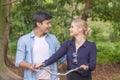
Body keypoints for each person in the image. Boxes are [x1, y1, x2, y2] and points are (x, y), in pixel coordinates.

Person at [15, 11, 65, 80]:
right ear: (38, 24)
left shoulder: (53, 39)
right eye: (47, 23)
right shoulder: (24, 40)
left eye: (50, 23)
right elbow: (19, 62)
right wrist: (30, 66)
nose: (50, 25)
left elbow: (62, 58)